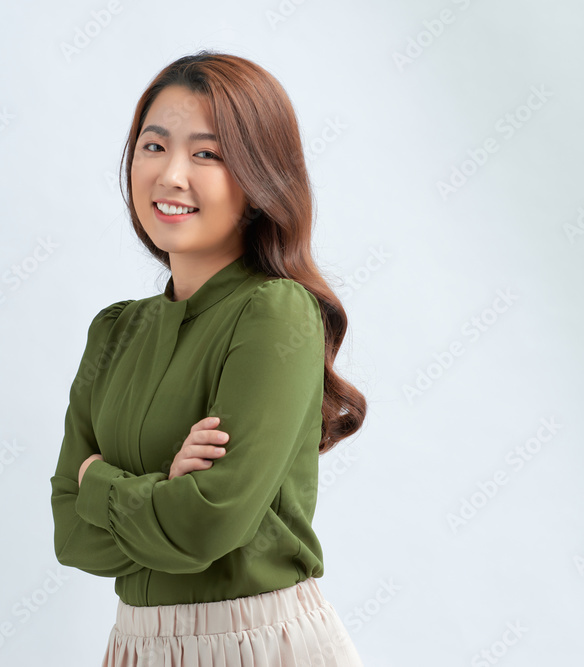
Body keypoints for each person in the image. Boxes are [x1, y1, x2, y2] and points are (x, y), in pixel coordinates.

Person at [50, 50, 367, 666]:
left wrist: (100, 481)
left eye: (207, 153)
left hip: (253, 643)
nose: (171, 176)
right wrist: (161, 489)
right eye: (153, 146)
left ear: (258, 178)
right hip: (135, 646)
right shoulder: (114, 331)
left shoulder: (276, 313)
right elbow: (70, 535)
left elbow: (204, 527)